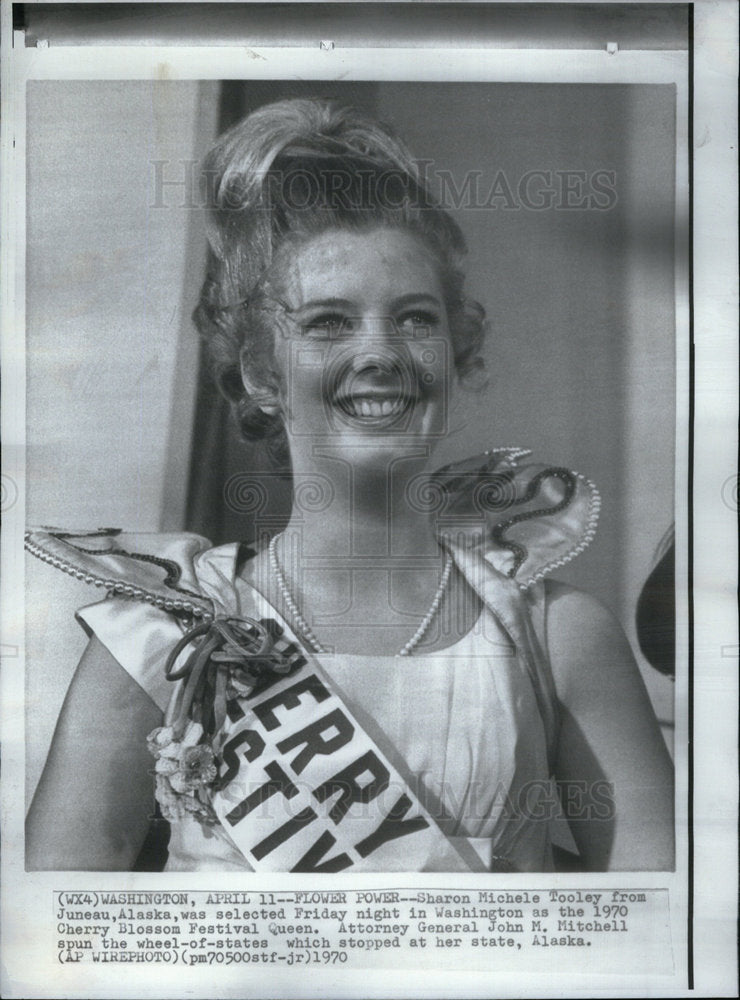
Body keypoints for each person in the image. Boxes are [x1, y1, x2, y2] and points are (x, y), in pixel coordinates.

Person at [25, 98, 674, 873]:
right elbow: (54, 948)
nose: (381, 354)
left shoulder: (558, 637)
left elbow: (660, 940)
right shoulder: (166, 633)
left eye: (415, 319)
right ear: (263, 371)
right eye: (329, 323)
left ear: (453, 351)